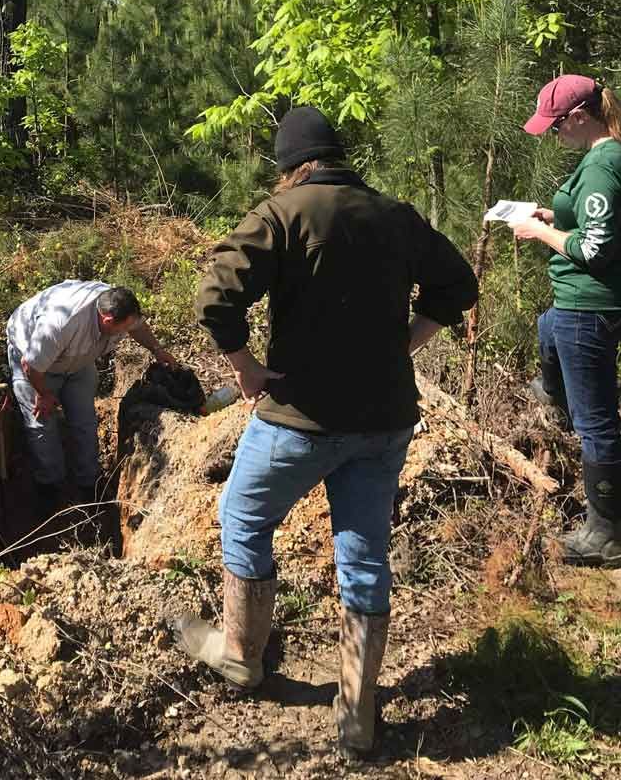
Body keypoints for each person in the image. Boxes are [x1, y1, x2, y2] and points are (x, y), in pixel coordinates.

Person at [174, 106, 478, 760]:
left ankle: (240, 657)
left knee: (243, 518)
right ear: (336, 156)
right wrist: (405, 343)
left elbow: (216, 296)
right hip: (384, 420)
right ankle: (357, 712)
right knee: (363, 556)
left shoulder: (282, 213)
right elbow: (458, 283)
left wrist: (245, 367)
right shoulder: (394, 215)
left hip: (301, 418)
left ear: (291, 166)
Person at [512, 75, 621, 568]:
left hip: (591, 306)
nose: (554, 135)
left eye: (556, 126)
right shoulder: (614, 154)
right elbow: (603, 225)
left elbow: (595, 251)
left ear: (579, 117)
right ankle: (554, 389)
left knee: (596, 425)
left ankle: (607, 535)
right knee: (547, 328)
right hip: (593, 303)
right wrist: (555, 217)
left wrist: (538, 233)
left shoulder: (601, 166)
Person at [7, 280, 177, 518]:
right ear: (107, 321)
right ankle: (49, 487)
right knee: (42, 425)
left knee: (85, 421)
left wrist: (157, 350)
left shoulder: (118, 304)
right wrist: (44, 394)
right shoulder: (60, 324)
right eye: (124, 328)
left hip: (78, 361)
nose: (129, 331)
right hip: (36, 366)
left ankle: (89, 484)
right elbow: (30, 365)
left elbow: (138, 327)